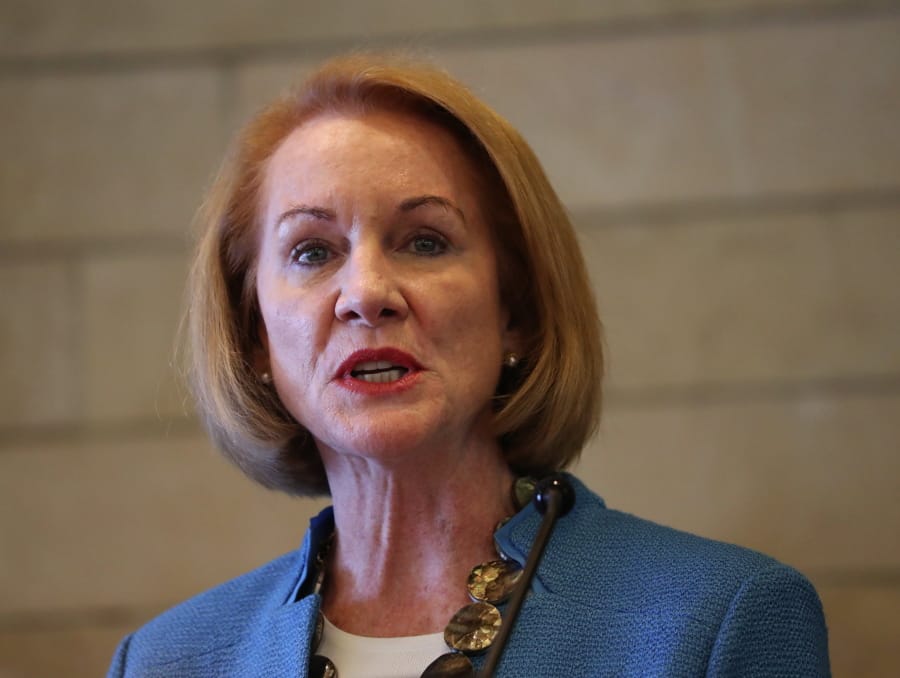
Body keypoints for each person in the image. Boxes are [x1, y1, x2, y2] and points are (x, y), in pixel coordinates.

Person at [107, 54, 830, 677]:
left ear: (513, 307)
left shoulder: (720, 621)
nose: (366, 294)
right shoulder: (166, 660)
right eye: (313, 251)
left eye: (424, 241)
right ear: (256, 333)